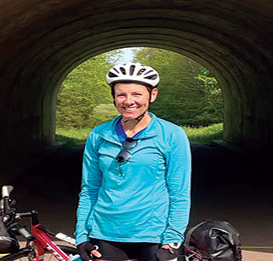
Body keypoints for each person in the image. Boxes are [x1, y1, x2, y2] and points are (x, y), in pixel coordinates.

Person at [74, 63, 192, 261]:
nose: (129, 102)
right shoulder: (99, 135)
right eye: (121, 95)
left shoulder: (172, 135)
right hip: (105, 233)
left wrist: (172, 241)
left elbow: (179, 193)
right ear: (113, 97)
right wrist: (81, 236)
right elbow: (90, 189)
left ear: (152, 95)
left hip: (154, 234)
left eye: (137, 94)